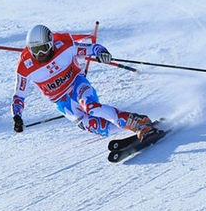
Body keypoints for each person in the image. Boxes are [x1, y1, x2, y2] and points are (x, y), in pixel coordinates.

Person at [11, 24, 155, 140]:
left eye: (43, 49)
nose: (39, 55)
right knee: (100, 127)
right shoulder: (25, 66)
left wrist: (101, 52)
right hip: (62, 101)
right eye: (35, 50)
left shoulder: (65, 46)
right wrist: (17, 116)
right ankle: (136, 123)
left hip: (76, 84)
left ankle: (135, 123)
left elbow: (92, 48)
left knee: (92, 107)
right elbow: (18, 96)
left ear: (51, 43)